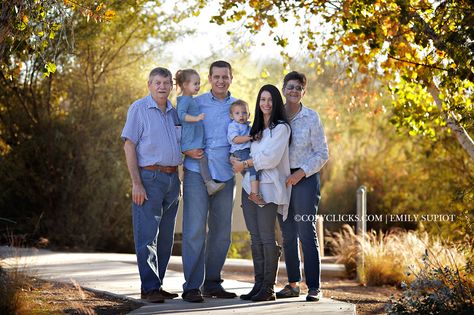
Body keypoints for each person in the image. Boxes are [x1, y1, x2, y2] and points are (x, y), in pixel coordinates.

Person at [121, 67, 182, 303]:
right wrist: (136, 183)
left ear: (172, 86)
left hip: (172, 180)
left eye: (167, 82)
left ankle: (157, 284)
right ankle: (149, 287)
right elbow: (129, 146)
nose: (162, 86)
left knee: (166, 237)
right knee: (147, 235)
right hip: (149, 178)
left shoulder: (174, 113)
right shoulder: (139, 109)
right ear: (149, 84)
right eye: (157, 82)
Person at [181, 60, 237, 303]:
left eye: (225, 76)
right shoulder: (196, 101)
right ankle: (192, 286)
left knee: (222, 233)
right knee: (194, 230)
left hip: (225, 174)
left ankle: (212, 283)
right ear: (210, 78)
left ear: (231, 78)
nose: (221, 81)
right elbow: (179, 128)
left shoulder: (238, 106)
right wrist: (185, 150)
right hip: (196, 172)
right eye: (216, 76)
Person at [231, 84, 292, 302]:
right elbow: (241, 151)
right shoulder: (255, 130)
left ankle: (269, 288)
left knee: (267, 237)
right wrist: (235, 160)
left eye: (270, 100)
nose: (265, 104)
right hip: (249, 187)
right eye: (262, 100)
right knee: (255, 237)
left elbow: (270, 159)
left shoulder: (281, 128)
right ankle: (258, 285)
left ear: (276, 103)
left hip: (269, 189)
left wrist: (245, 163)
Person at [276, 71, 329, 302]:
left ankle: (314, 287)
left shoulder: (311, 117)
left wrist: (300, 173)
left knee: (306, 233)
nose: (294, 91)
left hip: (305, 179)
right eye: (290, 87)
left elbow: (322, 153)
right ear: (283, 89)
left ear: (303, 92)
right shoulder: (276, 116)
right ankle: (293, 284)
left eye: (298, 88)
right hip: (280, 180)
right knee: (287, 235)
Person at [175, 69, 225, 195]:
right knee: (202, 158)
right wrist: (196, 118)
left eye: (198, 83)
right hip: (190, 138)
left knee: (202, 158)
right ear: (185, 85)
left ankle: (209, 184)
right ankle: (209, 184)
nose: (198, 86)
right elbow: (180, 115)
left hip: (194, 137)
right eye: (195, 84)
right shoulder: (185, 100)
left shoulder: (190, 99)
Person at [227, 99, 265, 206]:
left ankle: (249, 197)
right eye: (237, 113)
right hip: (240, 151)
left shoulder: (248, 127)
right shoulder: (233, 126)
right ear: (231, 116)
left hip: (246, 151)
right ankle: (254, 193)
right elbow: (236, 139)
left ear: (249, 115)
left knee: (249, 174)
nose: (241, 115)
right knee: (254, 166)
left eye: (244, 113)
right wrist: (251, 137)